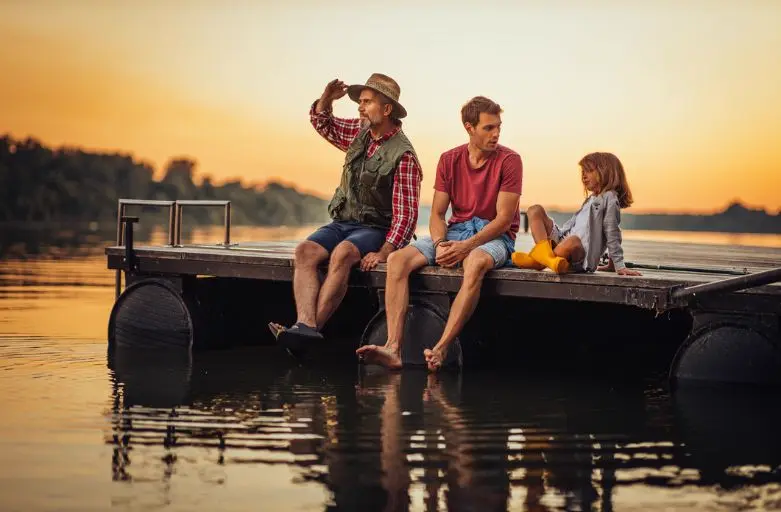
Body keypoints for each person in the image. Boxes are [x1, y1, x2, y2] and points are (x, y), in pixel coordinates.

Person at [356, 96, 523, 372]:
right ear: (469, 127)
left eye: (498, 127)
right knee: (397, 260)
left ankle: (441, 347)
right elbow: (436, 215)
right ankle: (393, 348)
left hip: (493, 236)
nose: (496, 134)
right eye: (488, 128)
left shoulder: (510, 160)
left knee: (476, 263)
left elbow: (504, 219)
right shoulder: (449, 159)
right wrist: (440, 243)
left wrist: (466, 247)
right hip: (456, 232)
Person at [269, 73, 422, 355]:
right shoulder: (359, 131)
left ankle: (308, 332)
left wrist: (384, 252)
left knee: (342, 253)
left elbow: (406, 215)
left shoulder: (404, 155)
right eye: (360, 103)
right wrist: (327, 98)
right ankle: (305, 326)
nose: (361, 108)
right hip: (343, 221)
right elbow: (322, 123)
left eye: (367, 102)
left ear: (387, 110)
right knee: (304, 251)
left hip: (375, 229)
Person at [511, 151, 642, 276]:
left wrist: (618, 265)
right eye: (583, 171)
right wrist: (611, 265)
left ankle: (539, 261)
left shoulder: (610, 198)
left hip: (580, 255)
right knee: (535, 210)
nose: (584, 175)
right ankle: (546, 258)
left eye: (589, 171)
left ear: (606, 172)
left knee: (572, 241)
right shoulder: (591, 199)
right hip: (564, 241)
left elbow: (612, 231)